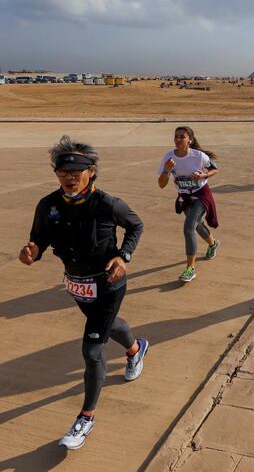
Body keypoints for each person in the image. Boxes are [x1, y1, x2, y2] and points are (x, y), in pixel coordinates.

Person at [20, 136, 147, 450]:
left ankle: (85, 418)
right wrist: (32, 251)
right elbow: (39, 238)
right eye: (63, 169)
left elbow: (136, 226)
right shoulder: (47, 205)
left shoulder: (108, 204)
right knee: (108, 326)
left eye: (77, 169)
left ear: (92, 171)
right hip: (77, 285)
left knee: (92, 350)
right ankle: (135, 349)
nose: (69, 175)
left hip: (108, 284)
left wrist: (124, 256)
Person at [157, 126, 220, 283]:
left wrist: (204, 175)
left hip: (201, 194)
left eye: (182, 137)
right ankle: (213, 244)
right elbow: (161, 184)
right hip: (185, 197)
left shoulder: (199, 156)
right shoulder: (169, 157)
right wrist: (166, 170)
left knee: (188, 227)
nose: (178, 139)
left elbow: (215, 169)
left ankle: (190, 268)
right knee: (197, 226)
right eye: (176, 136)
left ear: (189, 140)